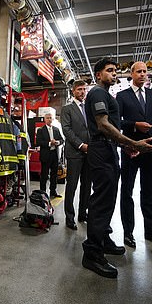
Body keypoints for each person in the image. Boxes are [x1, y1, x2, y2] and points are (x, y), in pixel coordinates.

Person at [82, 58, 152, 279]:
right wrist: (132, 143)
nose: (114, 74)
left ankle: (104, 239)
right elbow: (103, 125)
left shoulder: (106, 95)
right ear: (98, 75)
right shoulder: (97, 93)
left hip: (108, 150)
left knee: (108, 199)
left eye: (115, 71)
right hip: (100, 149)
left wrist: (122, 147)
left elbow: (112, 127)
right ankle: (92, 252)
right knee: (101, 201)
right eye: (109, 71)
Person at [116, 61, 152, 249]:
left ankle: (151, 231)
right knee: (127, 192)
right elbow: (117, 123)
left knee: (148, 192)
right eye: (138, 71)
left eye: (144, 72)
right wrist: (134, 125)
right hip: (131, 151)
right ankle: (128, 232)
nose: (142, 74)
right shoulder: (122, 97)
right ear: (131, 74)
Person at [61, 80, 91, 230]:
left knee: (86, 186)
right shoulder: (67, 109)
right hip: (74, 153)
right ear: (73, 91)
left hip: (89, 153)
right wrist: (81, 145)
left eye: (84, 89)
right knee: (71, 186)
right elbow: (67, 130)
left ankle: (82, 213)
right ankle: (69, 217)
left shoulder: (89, 108)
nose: (82, 92)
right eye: (79, 89)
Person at [36, 112, 64, 198]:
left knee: (54, 175)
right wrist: (49, 143)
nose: (49, 119)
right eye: (47, 118)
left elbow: (62, 140)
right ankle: (42, 192)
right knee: (44, 175)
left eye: (50, 118)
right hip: (45, 155)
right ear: (44, 120)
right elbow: (38, 142)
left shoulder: (56, 129)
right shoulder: (40, 130)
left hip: (54, 155)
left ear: (53, 119)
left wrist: (57, 142)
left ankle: (53, 191)